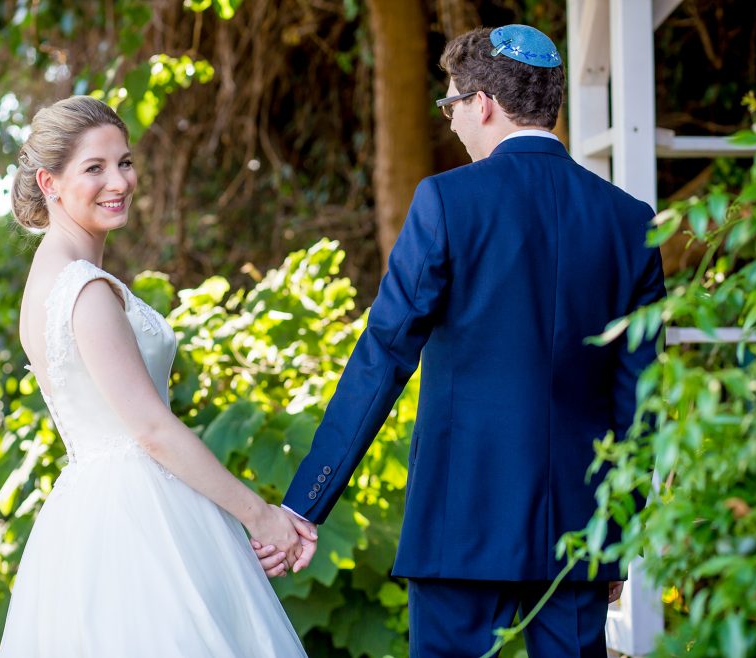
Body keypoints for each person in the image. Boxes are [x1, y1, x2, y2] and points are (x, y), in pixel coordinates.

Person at [279, 25, 666, 657]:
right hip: (578, 533)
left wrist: (306, 503)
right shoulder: (628, 222)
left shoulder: (447, 202)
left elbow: (384, 356)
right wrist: (612, 536)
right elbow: (641, 401)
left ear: (482, 103)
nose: (452, 121)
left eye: (451, 103)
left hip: (459, 525)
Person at [0, 95, 313, 657]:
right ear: (49, 183)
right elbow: (151, 429)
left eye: (124, 162)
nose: (118, 181)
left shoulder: (49, 280)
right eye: (94, 168)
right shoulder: (84, 289)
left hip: (95, 512)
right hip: (140, 520)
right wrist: (261, 517)